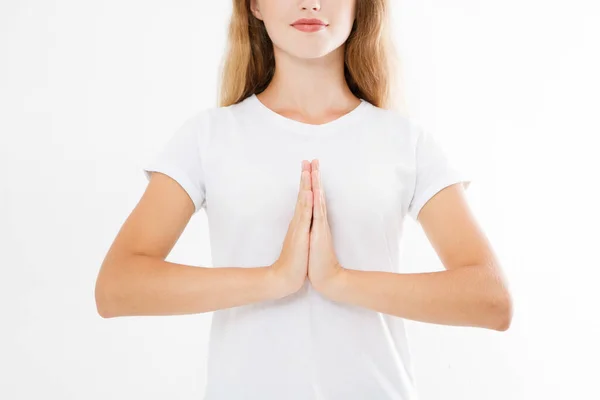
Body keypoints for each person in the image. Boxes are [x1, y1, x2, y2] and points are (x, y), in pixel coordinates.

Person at [95, 0, 513, 399]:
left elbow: (491, 300)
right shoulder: (208, 137)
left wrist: (339, 280)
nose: (310, 4)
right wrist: (275, 278)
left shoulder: (407, 142)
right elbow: (117, 288)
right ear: (254, 6)